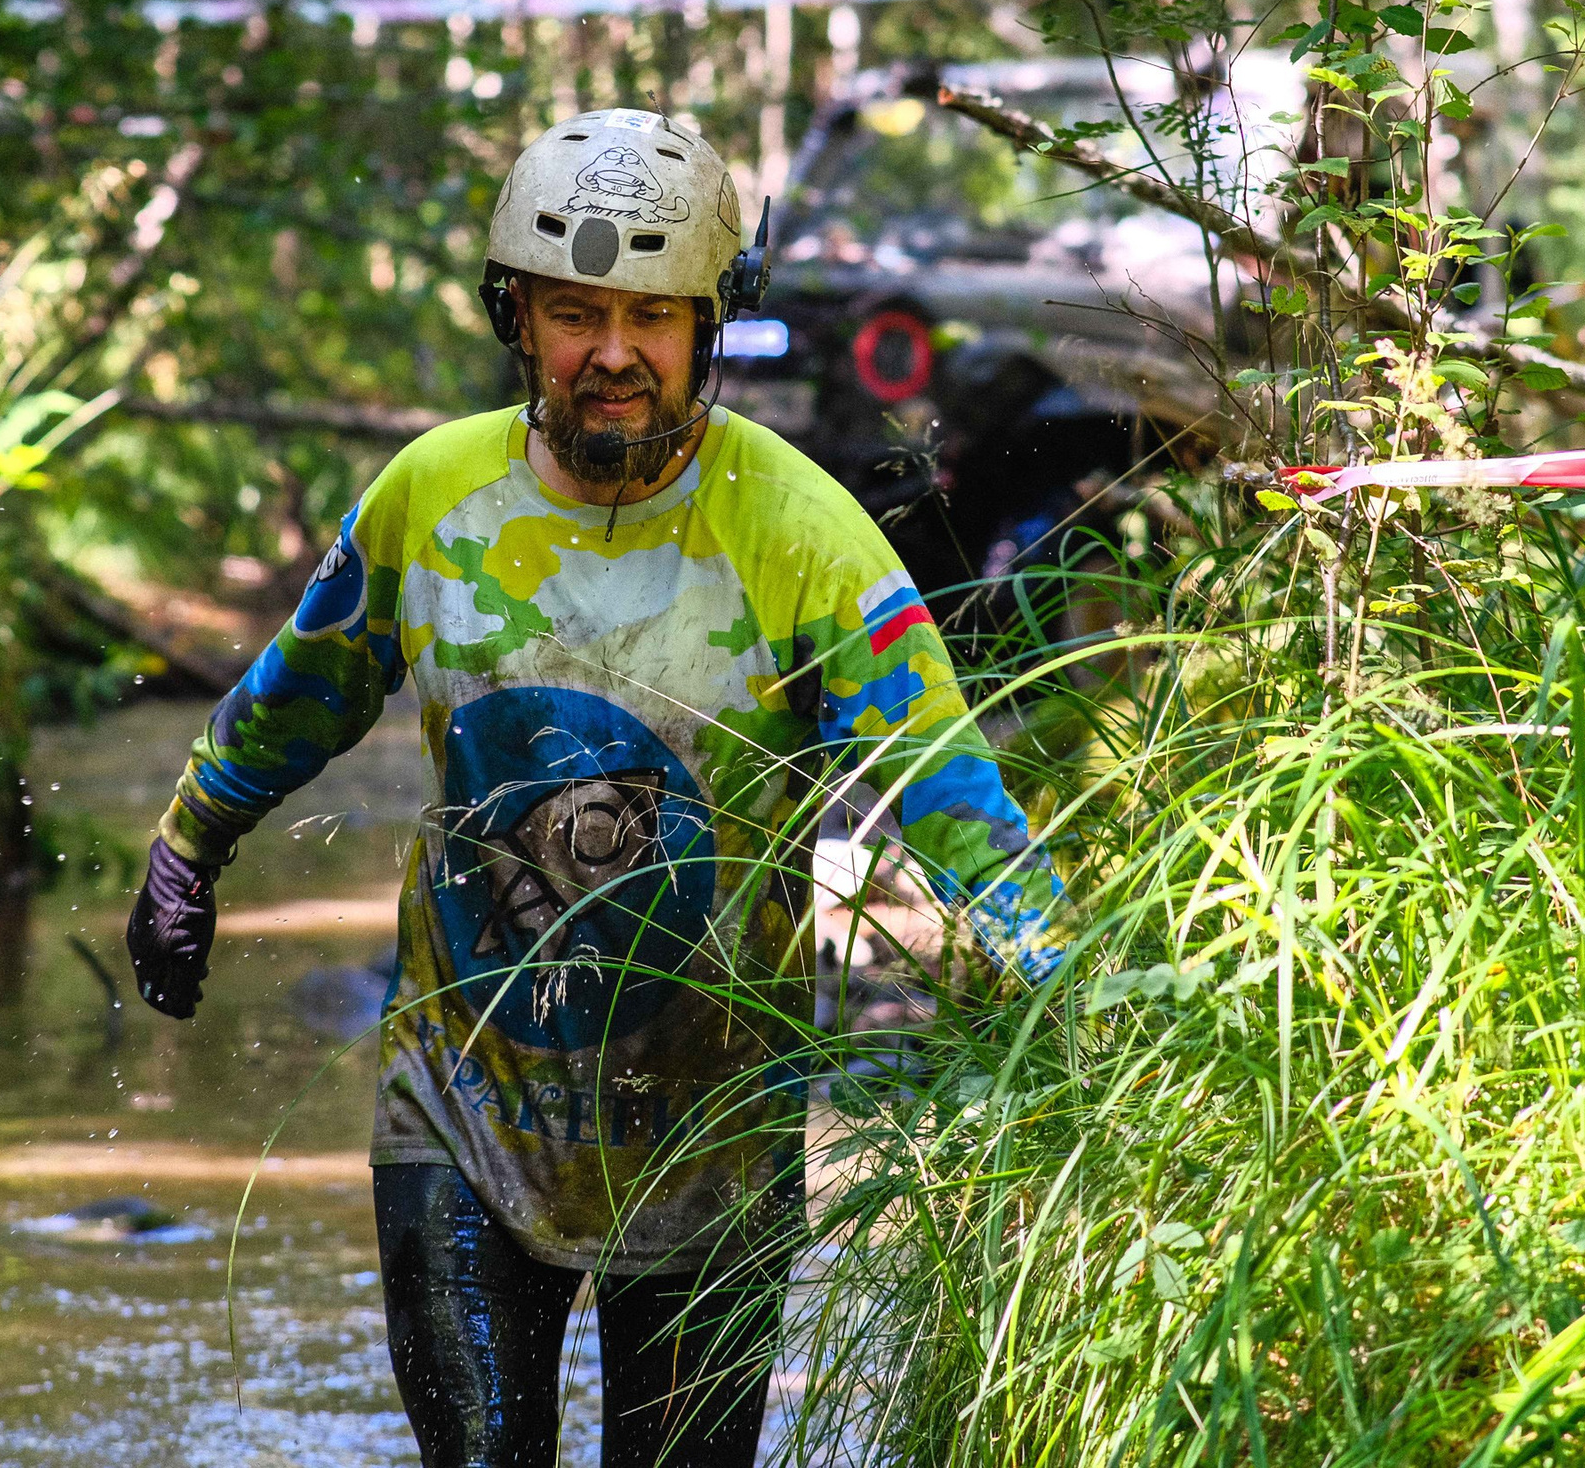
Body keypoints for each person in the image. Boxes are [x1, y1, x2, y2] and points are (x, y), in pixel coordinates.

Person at [124, 109, 1062, 1468]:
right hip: (462, 1112)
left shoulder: (808, 537)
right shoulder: (429, 499)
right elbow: (301, 692)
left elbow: (951, 788)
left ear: (710, 324)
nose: (612, 353)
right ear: (517, 316)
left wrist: (1071, 996)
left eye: (651, 317)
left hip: (713, 1139)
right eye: (575, 314)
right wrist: (186, 846)